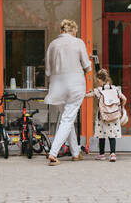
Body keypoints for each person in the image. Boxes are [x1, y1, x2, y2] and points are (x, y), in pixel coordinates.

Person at [44, 19, 91, 166]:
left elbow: (47, 70)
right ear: (74, 30)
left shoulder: (52, 44)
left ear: (61, 30)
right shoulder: (78, 42)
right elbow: (87, 66)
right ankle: (53, 153)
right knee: (68, 119)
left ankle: (76, 153)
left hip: (57, 85)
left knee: (67, 118)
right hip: (75, 84)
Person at [85, 68, 126, 162]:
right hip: (114, 115)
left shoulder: (99, 90)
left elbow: (87, 96)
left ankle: (102, 154)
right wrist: (121, 108)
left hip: (103, 117)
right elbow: (125, 99)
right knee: (112, 135)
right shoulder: (116, 89)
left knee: (101, 135)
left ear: (100, 79)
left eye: (97, 80)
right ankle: (112, 154)